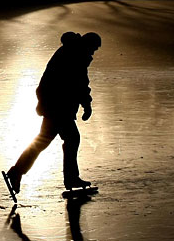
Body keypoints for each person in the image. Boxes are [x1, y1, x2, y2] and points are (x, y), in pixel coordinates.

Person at [6, 31, 102, 192]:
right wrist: (86, 105)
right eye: (94, 48)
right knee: (71, 139)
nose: (93, 52)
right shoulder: (75, 55)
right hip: (58, 106)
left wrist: (85, 104)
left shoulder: (71, 51)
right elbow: (78, 84)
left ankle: (17, 172)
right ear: (88, 44)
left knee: (43, 141)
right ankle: (70, 178)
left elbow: (76, 83)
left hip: (54, 105)